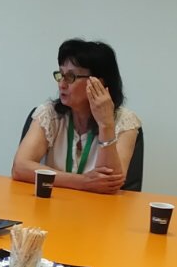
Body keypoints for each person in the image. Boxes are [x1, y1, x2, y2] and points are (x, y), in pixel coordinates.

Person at [11, 39, 141, 194]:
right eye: (60, 75)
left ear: (98, 82)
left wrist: (105, 125)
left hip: (99, 207)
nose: (61, 84)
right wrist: (83, 182)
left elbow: (109, 184)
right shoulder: (49, 114)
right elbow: (20, 168)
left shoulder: (125, 121)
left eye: (71, 77)